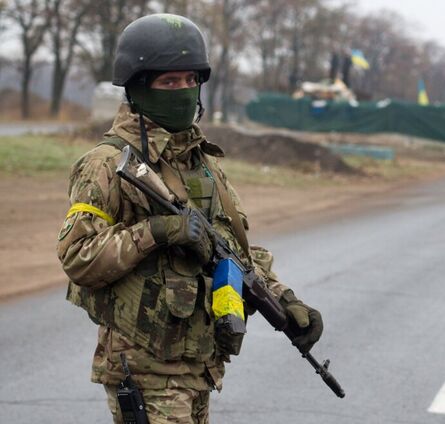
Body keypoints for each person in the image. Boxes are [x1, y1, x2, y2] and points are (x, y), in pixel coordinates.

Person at [56, 13, 323, 424]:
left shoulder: (204, 165)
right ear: (138, 88)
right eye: (168, 82)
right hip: (144, 367)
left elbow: (236, 253)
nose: (182, 91)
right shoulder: (106, 164)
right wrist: (156, 231)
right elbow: (77, 257)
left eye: (189, 80)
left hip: (199, 365)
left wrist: (284, 301)